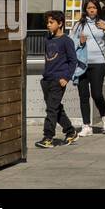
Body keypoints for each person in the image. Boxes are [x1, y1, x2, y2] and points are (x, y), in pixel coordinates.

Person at [70, 0, 105, 135]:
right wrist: (80, 41)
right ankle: (86, 126)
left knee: (96, 94)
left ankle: (104, 117)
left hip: (98, 63)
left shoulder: (103, 23)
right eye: (89, 8)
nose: (91, 10)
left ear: (98, 9)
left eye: (94, 8)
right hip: (82, 63)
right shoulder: (79, 25)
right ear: (85, 9)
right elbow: (71, 42)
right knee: (83, 95)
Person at [36, 11, 79, 149]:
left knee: (51, 110)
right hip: (47, 79)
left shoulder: (67, 41)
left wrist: (66, 78)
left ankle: (48, 137)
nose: (48, 25)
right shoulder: (48, 39)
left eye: (51, 22)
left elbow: (73, 61)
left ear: (60, 23)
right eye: (47, 22)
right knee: (55, 108)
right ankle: (70, 131)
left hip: (58, 80)